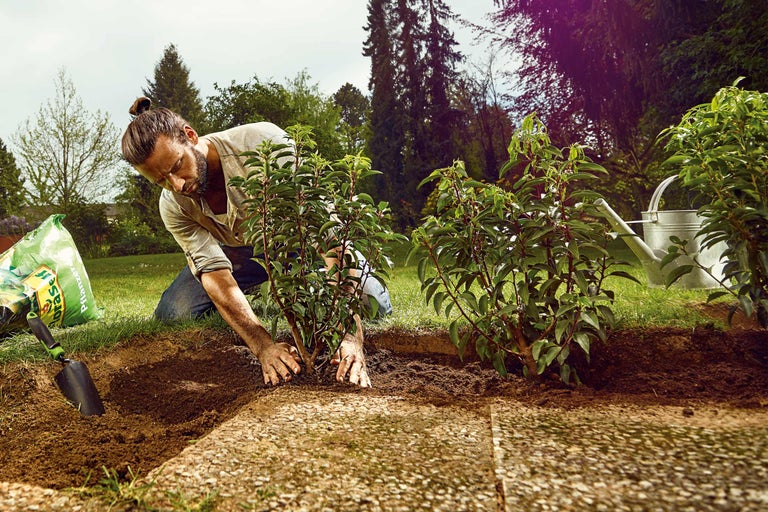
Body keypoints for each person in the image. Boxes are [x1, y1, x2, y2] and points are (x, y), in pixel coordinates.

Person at [121, 97, 391, 387]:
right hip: (240, 256)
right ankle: (255, 294)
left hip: (301, 246)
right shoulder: (172, 205)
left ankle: (311, 283)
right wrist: (262, 345)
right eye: (161, 181)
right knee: (175, 313)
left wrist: (348, 335)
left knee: (372, 303)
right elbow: (214, 272)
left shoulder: (265, 144)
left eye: (177, 165)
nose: (177, 185)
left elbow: (331, 239)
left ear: (190, 136)